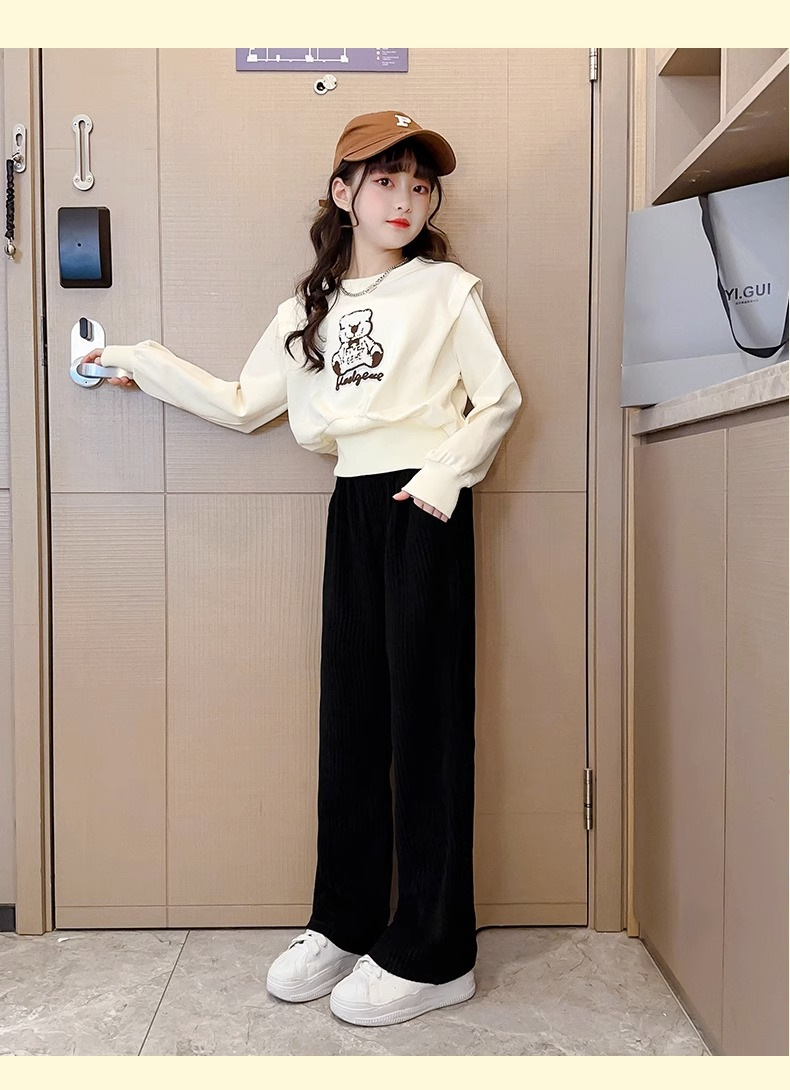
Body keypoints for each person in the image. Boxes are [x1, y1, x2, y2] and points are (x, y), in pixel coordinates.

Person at [89, 110, 523, 1028]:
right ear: (343, 193)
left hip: (425, 504)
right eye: (384, 181)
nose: (405, 201)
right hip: (352, 508)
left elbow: (499, 399)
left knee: (429, 726)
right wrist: (137, 363)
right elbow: (244, 402)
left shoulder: (447, 290)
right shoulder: (307, 311)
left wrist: (442, 479)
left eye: (420, 185)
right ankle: (346, 921)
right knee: (352, 721)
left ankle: (437, 951)